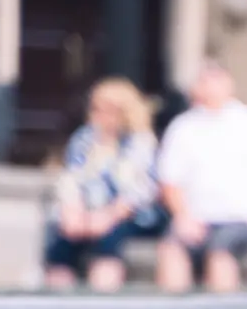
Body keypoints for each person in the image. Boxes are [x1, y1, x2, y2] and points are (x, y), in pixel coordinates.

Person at [154, 61, 247, 293]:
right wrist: (183, 216)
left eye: (216, 80)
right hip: (196, 218)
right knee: (171, 250)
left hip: (242, 218)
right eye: (204, 81)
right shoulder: (183, 127)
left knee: (219, 252)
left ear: (229, 84)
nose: (210, 87)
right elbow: (169, 181)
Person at [42, 78, 159, 292]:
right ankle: (58, 302)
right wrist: (72, 211)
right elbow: (71, 178)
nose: (101, 116)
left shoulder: (140, 142)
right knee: (62, 239)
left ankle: (101, 300)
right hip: (87, 211)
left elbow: (142, 190)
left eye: (109, 110)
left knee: (108, 239)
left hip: (126, 215)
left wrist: (107, 216)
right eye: (97, 109)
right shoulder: (84, 139)